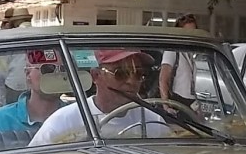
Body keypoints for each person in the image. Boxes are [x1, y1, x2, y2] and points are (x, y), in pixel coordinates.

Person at [29, 49, 171, 146]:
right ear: (96, 75)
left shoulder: (155, 122)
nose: (131, 81)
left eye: (139, 74)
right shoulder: (63, 121)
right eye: (120, 73)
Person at [0, 51, 65, 137]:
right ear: (28, 73)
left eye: (63, 70)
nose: (57, 75)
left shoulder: (76, 114)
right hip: (12, 88)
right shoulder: (1, 120)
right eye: (48, 69)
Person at [159, 14, 199, 106]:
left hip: (192, 101)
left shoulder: (192, 53)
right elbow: (163, 79)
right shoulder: (173, 51)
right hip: (177, 100)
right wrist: (166, 105)